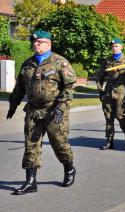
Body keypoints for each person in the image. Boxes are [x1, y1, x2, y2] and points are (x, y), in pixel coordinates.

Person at [7, 30, 77, 195]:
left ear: (48, 44)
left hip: (55, 110)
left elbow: (69, 86)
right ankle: (30, 182)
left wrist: (61, 106)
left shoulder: (60, 62)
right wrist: (13, 103)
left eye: (39, 42)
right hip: (34, 110)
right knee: (31, 145)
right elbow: (20, 87)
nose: (35, 44)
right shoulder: (27, 64)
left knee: (59, 143)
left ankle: (69, 168)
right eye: (34, 42)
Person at [96, 38, 125, 150]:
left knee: (119, 115)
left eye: (116, 46)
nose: (114, 48)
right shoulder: (107, 61)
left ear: (121, 47)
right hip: (108, 91)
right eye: (112, 46)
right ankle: (109, 140)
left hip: (121, 91)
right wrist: (100, 91)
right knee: (108, 116)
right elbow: (100, 77)